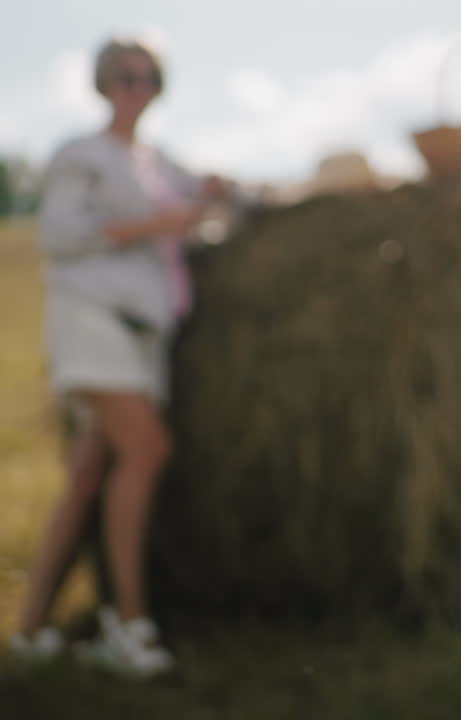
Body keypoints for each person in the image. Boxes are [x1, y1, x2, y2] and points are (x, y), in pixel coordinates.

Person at [9, 37, 226, 677]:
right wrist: (161, 226)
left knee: (85, 479)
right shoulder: (83, 155)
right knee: (146, 449)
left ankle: (28, 630)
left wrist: (215, 190)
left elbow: (201, 197)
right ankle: (127, 625)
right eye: (126, 76)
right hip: (93, 320)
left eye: (148, 76)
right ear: (105, 84)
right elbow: (59, 237)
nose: (138, 86)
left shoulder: (156, 160)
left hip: (141, 333)